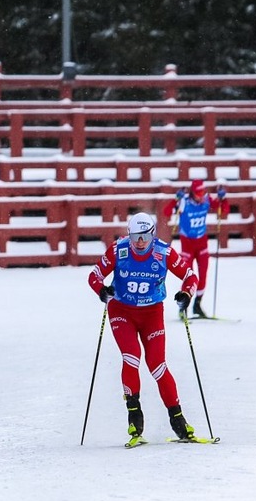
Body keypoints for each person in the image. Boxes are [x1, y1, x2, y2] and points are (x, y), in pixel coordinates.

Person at [88, 211, 199, 445]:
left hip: (152, 313)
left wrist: (186, 294)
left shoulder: (164, 252)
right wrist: (102, 290)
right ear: (129, 234)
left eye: (145, 237)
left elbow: (190, 276)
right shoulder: (119, 250)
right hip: (122, 311)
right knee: (131, 358)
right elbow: (95, 275)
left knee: (157, 365)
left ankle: (178, 419)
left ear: (152, 234)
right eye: (135, 236)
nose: (140, 242)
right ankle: (134, 415)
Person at [160, 179, 229, 318]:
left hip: (202, 243)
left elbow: (224, 210)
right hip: (188, 245)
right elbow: (166, 212)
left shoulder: (206, 199)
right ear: (192, 192)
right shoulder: (184, 201)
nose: (201, 195)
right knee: (188, 276)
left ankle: (197, 305)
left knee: (203, 274)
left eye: (203, 192)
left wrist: (223, 198)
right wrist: (176, 199)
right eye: (198, 193)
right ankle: (183, 306)